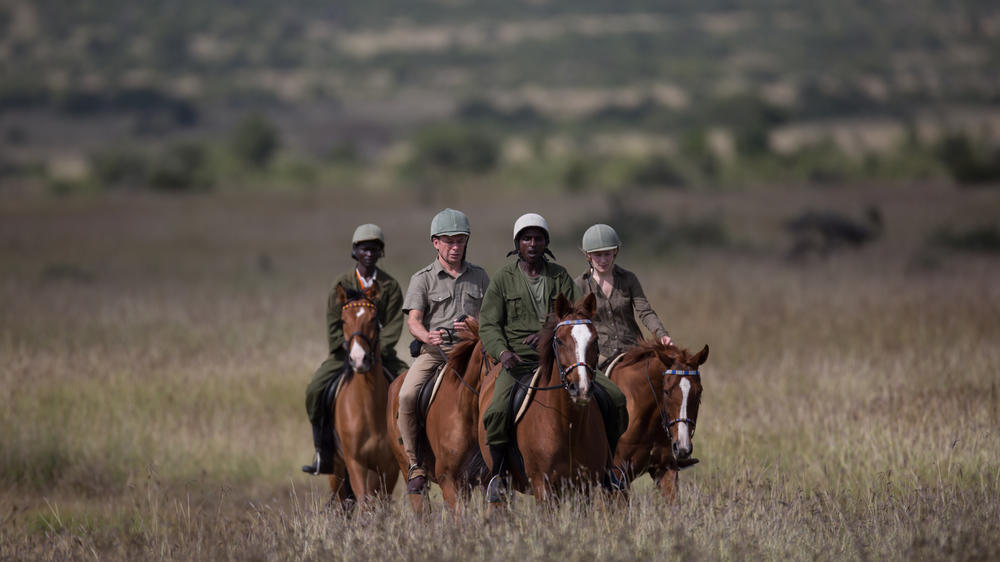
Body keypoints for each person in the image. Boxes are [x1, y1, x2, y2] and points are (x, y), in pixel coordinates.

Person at [478, 213, 628, 498]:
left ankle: (608, 467)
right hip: (519, 362)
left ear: (546, 243)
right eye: (526, 238)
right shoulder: (502, 279)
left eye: (538, 238)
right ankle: (497, 475)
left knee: (616, 400)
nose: (532, 243)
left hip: (565, 359)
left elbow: (576, 315)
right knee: (496, 411)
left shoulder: (559, 275)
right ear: (517, 244)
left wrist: (548, 334)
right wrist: (503, 352)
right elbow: (488, 323)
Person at [302, 223, 408, 475]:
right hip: (345, 354)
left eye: (374, 249)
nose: (369, 254)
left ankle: (412, 455)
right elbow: (332, 322)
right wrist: (347, 347)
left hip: (381, 356)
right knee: (315, 390)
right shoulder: (341, 284)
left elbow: (394, 323)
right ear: (355, 252)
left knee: (410, 391)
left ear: (381, 252)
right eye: (364, 249)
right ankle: (323, 451)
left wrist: (379, 349)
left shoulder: (390, 286)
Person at [398, 209, 490, 494]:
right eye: (448, 241)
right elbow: (413, 320)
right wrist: (427, 334)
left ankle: (504, 463)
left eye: (460, 240)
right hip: (436, 353)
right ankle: (416, 463)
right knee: (406, 395)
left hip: (474, 353)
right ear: (435, 242)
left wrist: (478, 325)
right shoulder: (423, 278)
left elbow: (492, 317)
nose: (455, 246)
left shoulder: (480, 276)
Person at [575, 224, 672, 370]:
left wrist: (662, 335)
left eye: (607, 254)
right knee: (591, 387)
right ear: (588, 255)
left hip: (633, 348)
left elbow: (645, 312)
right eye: (598, 255)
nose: (603, 260)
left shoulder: (628, 278)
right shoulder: (579, 285)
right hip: (600, 353)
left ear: (615, 251)